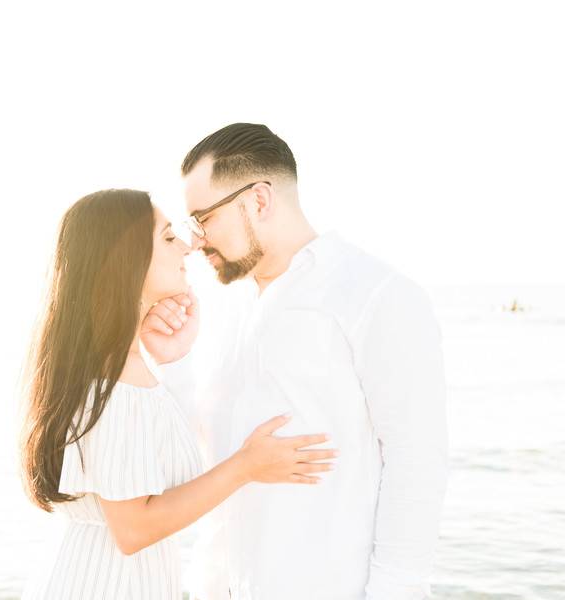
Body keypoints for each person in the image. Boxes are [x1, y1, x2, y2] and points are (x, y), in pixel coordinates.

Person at [141, 123, 449, 599]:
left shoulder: (376, 295)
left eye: (204, 218)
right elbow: (199, 456)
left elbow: (417, 462)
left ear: (258, 200)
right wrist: (173, 361)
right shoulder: (226, 308)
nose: (196, 241)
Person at [19, 188, 338, 599]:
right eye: (169, 238)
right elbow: (134, 529)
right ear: (126, 262)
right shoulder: (118, 382)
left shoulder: (116, 367)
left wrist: (174, 359)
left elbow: (157, 473)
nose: (188, 247)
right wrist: (247, 465)